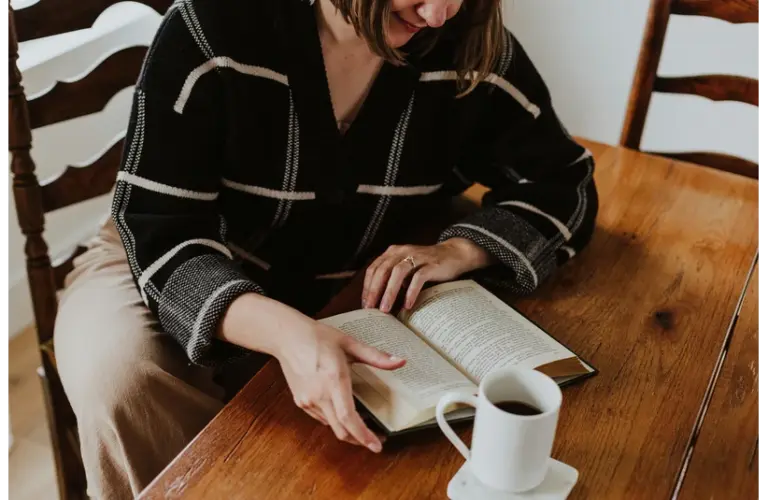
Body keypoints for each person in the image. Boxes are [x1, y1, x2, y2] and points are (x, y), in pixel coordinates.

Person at [53, 0, 598, 497]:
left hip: (351, 281)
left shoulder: (471, 39)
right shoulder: (210, 26)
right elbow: (160, 227)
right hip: (170, 255)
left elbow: (563, 181)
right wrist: (286, 333)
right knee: (123, 379)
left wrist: (462, 250)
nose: (438, 14)